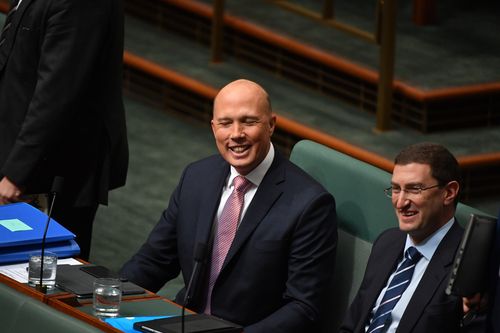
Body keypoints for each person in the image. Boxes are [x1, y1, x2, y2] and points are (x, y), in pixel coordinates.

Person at [120, 79, 337, 332]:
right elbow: (155, 260)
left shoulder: (309, 204)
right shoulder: (197, 177)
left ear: (271, 125)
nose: (236, 134)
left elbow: (303, 306)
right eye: (225, 123)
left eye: (248, 121)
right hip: (184, 323)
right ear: (214, 128)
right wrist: (109, 293)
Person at [0, 0, 129, 261]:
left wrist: (16, 174)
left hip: (53, 171)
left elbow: (57, 94)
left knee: (43, 276)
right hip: (20, 155)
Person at [340, 142, 465, 333]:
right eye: (396, 189)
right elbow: (351, 326)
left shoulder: (468, 263)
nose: (400, 203)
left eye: (414, 189)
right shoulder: (387, 242)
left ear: (448, 193)